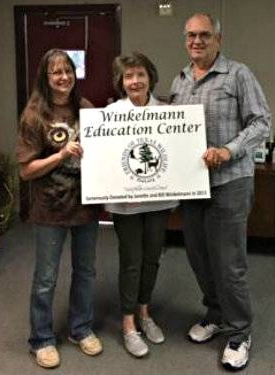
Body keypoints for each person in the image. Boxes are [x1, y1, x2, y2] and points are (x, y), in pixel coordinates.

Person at [170, 13, 271, 371]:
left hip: (230, 182)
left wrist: (228, 150)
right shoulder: (180, 80)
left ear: (218, 39)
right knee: (199, 257)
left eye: (204, 35)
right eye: (191, 36)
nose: (196, 41)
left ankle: (240, 331)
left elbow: (262, 122)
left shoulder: (238, 74)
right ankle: (214, 314)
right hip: (193, 185)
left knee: (229, 264)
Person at [17, 49, 103, 369]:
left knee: (86, 272)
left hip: (85, 207)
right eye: (56, 72)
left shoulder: (87, 110)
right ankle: (41, 339)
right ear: (46, 77)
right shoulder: (34, 115)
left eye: (67, 70)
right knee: (46, 278)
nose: (63, 77)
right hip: (50, 209)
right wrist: (61, 154)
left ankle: (80, 329)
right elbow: (26, 170)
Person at [106, 52, 178, 358]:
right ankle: (128, 324)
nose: (135, 81)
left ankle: (145, 314)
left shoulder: (167, 112)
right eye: (128, 76)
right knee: (131, 260)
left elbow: (174, 155)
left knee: (152, 259)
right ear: (121, 82)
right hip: (126, 203)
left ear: (150, 77)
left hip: (158, 200)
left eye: (140, 75)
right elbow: (106, 161)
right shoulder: (111, 113)